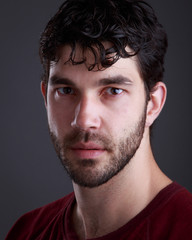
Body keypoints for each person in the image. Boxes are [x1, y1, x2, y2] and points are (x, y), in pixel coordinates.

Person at [5, 0, 192, 239]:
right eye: (66, 90)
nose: (83, 120)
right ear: (46, 98)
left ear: (152, 104)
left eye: (113, 90)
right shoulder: (26, 232)